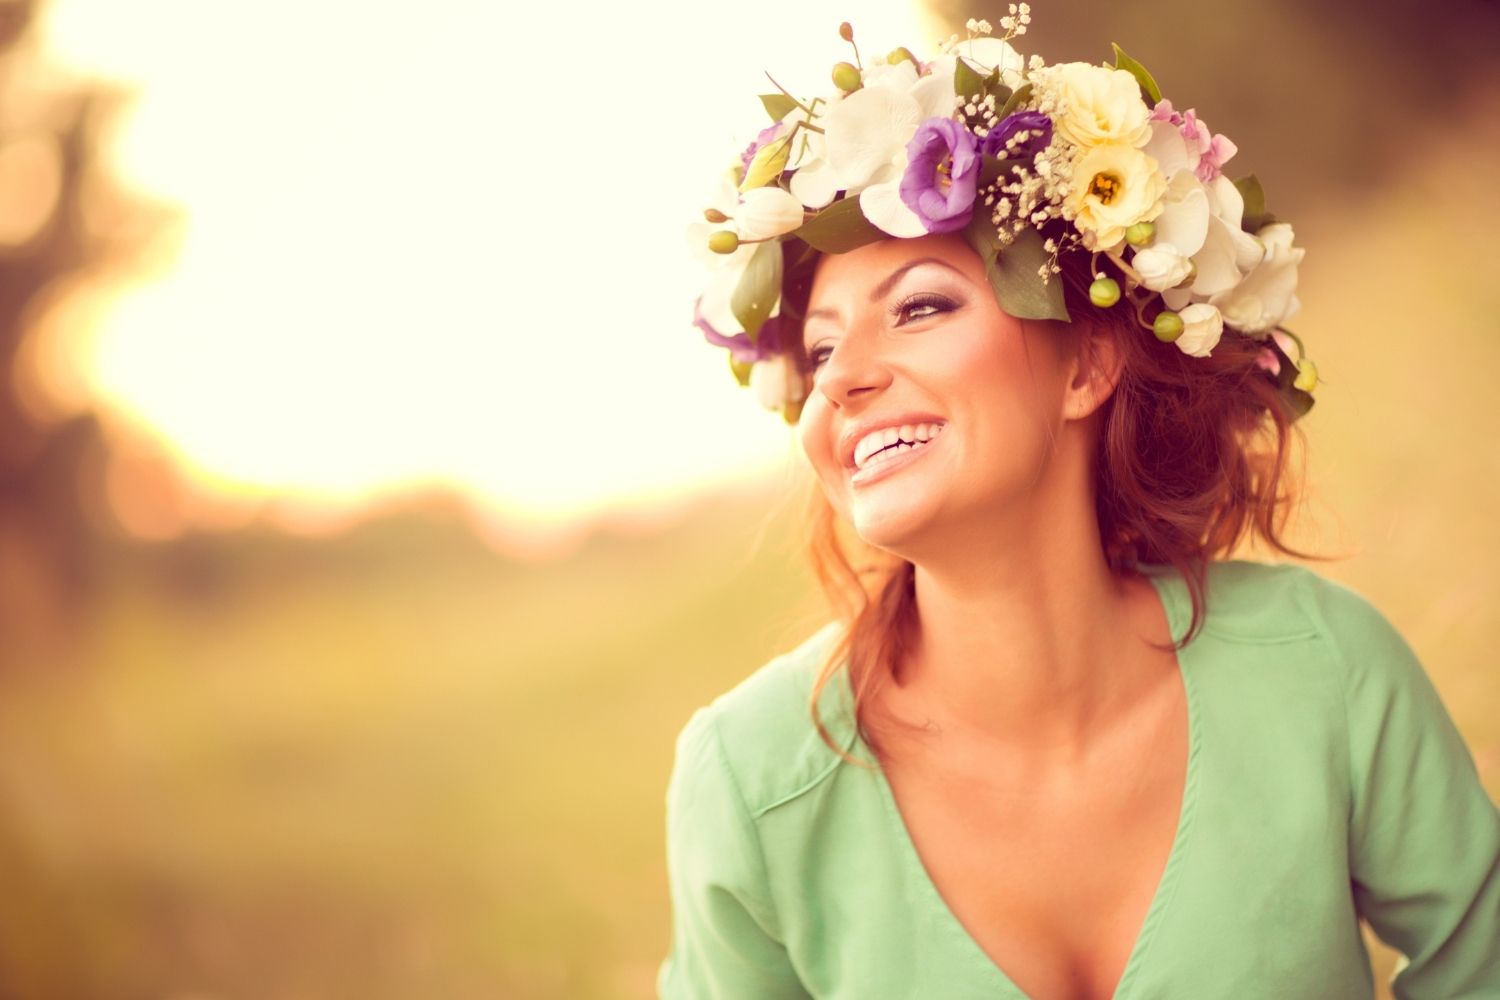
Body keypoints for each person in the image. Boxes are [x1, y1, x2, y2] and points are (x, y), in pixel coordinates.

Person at [664, 14, 1500, 999]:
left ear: (1088, 365)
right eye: (819, 350)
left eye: (923, 306)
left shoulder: (1328, 674)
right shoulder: (748, 782)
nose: (842, 379)